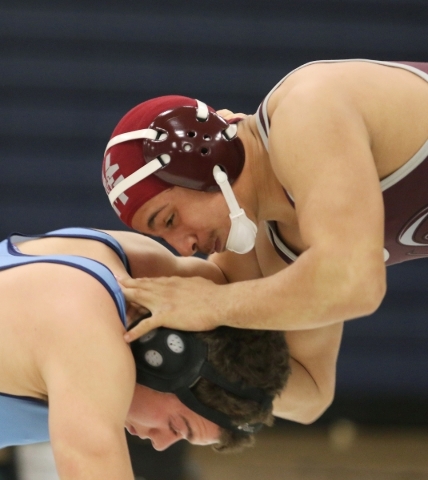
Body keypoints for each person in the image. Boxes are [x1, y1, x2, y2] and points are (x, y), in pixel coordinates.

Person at [101, 59, 428, 425]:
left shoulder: (306, 110)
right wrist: (187, 357)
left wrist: (213, 304)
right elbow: (311, 395)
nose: (183, 246)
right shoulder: (279, 246)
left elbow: (356, 284)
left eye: (170, 220)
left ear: (200, 157)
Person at [0, 227, 289, 478]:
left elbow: (228, 302)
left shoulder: (134, 259)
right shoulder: (89, 344)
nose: (160, 443)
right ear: (166, 360)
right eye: (176, 426)